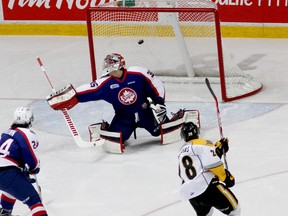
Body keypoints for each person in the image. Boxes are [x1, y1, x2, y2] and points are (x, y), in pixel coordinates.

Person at [46, 53, 199, 153]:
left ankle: (180, 117)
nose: (108, 68)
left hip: (145, 111)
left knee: (160, 132)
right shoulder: (105, 83)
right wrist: (69, 98)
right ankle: (106, 128)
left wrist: (159, 102)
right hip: (124, 116)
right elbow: (87, 90)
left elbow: (155, 83)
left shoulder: (138, 73)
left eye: (110, 65)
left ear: (119, 65)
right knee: (116, 141)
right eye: (106, 65)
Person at [178, 122, 241, 216]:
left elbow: (201, 163)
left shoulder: (181, 151)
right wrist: (226, 177)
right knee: (235, 210)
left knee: (207, 213)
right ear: (197, 132)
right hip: (208, 188)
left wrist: (218, 150)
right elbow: (213, 163)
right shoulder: (203, 143)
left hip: (191, 194)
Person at [0, 107, 48, 216]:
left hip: (6, 172)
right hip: (7, 173)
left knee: (12, 189)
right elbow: (30, 155)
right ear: (29, 119)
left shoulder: (6, 133)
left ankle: (5, 212)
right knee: (34, 201)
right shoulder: (28, 133)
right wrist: (34, 168)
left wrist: (23, 171)